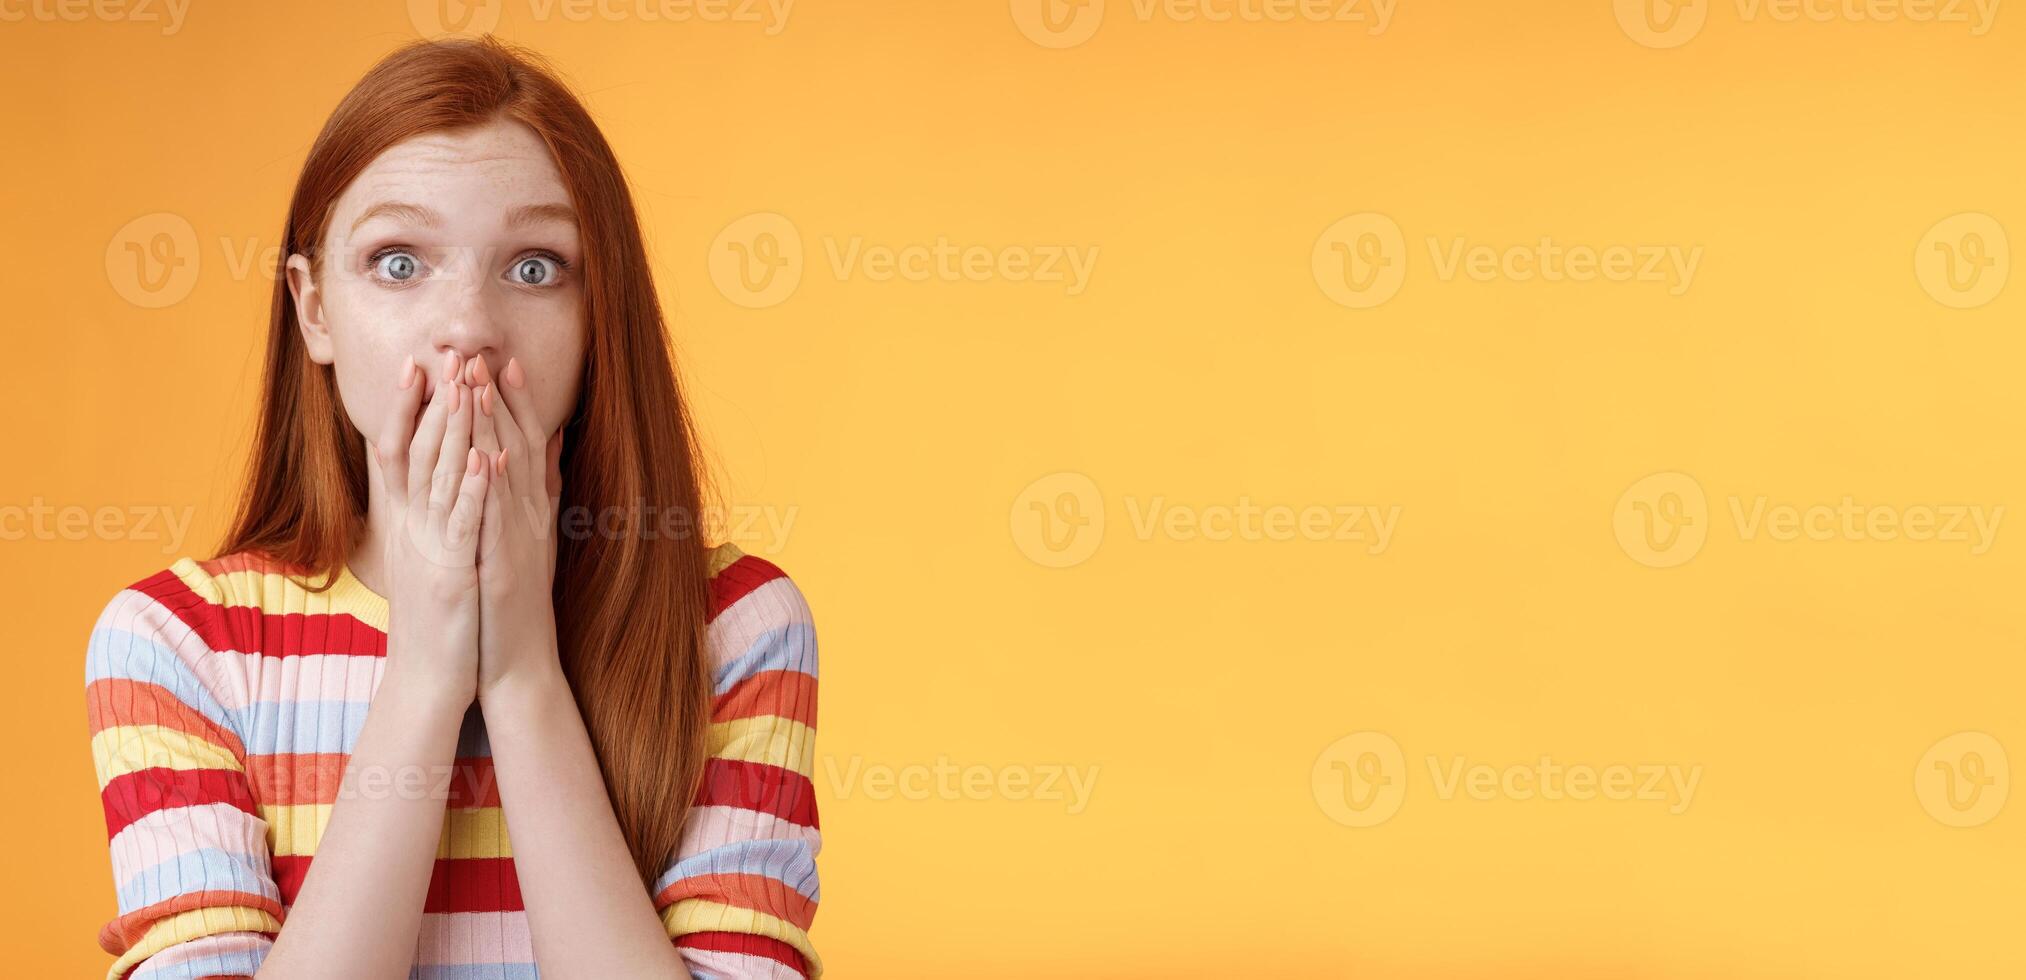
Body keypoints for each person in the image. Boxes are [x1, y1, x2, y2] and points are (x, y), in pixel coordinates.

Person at [82, 35, 821, 980]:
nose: (468, 324)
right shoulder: (177, 644)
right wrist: (429, 672)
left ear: (601, 316)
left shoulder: (737, 629)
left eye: (535, 267)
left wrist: (522, 678)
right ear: (314, 311)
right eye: (398, 262)